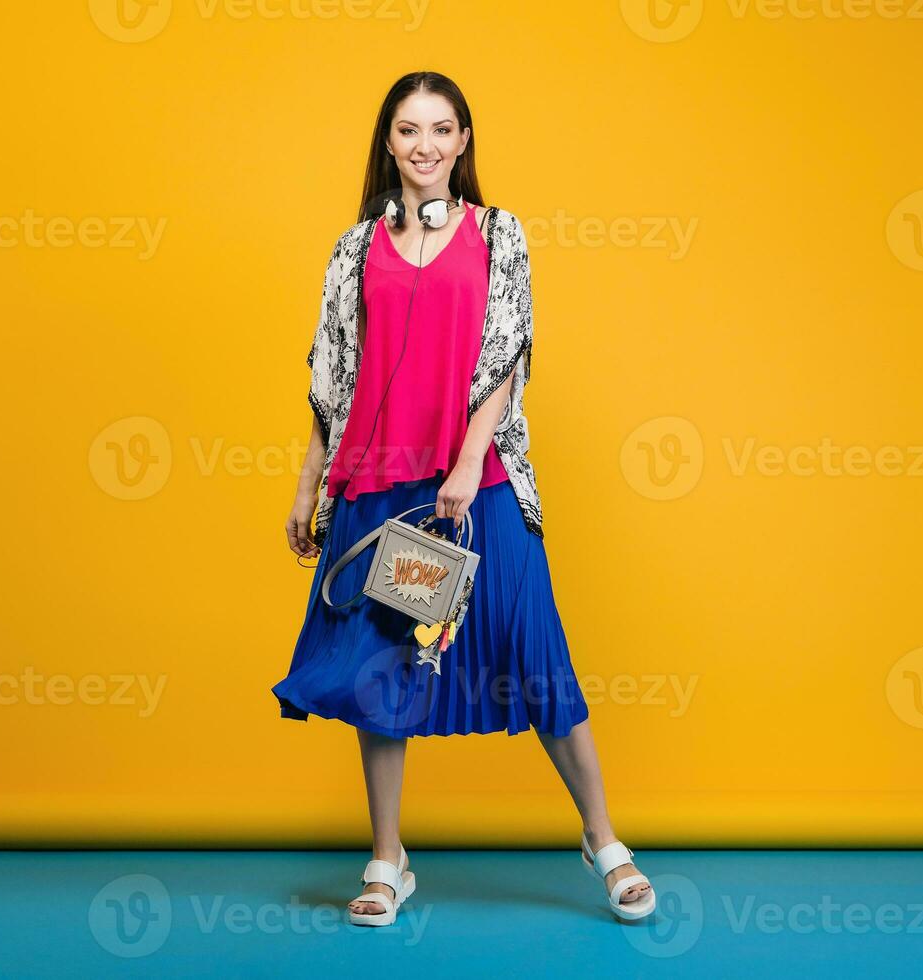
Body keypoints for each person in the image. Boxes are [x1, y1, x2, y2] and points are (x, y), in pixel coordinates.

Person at [271, 70, 655, 927]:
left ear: (464, 142)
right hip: (382, 489)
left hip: (470, 487)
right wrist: (308, 489)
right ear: (388, 144)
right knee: (383, 675)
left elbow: (510, 350)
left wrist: (465, 462)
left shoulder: (498, 234)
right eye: (408, 131)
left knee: (534, 655)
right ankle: (387, 859)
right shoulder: (353, 249)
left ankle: (605, 846)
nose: (425, 147)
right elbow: (331, 378)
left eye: (441, 130)